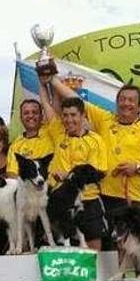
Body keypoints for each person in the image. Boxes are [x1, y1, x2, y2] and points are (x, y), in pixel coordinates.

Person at [48, 77, 140, 212]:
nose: (125, 103)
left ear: (139, 107)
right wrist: (53, 80)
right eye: (122, 99)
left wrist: (137, 167)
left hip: (131, 198)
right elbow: (77, 102)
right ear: (116, 102)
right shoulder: (105, 119)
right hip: (101, 195)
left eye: (131, 100)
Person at [47, 96, 108, 250]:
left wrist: (67, 175)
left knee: (93, 246)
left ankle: (94, 274)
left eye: (73, 115)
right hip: (61, 200)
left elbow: (94, 173)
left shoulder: (95, 140)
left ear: (83, 116)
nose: (69, 120)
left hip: (88, 199)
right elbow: (48, 106)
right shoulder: (58, 135)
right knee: (64, 247)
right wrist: (46, 81)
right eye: (65, 115)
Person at [6, 96, 58, 178]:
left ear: (42, 116)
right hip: (29, 189)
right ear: (21, 118)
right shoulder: (15, 145)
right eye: (26, 113)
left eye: (34, 112)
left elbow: (55, 105)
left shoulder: (52, 132)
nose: (30, 116)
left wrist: (44, 84)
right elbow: (12, 174)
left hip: (54, 188)